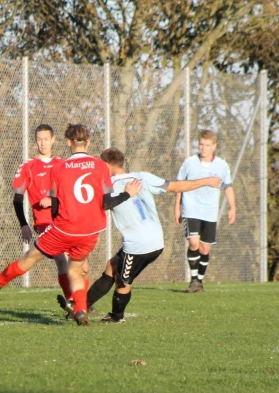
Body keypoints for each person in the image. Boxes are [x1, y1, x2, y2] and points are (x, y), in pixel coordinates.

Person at [0, 124, 140, 326]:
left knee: (31, 257)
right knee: (76, 269)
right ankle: (81, 309)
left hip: (64, 228)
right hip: (91, 231)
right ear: (89, 142)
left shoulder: (59, 167)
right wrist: (127, 193)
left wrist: (57, 224)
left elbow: (56, 204)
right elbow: (106, 203)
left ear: (66, 142)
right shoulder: (101, 166)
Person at [86, 148, 222, 322]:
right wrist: (207, 181)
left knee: (123, 280)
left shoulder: (108, 184)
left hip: (138, 245)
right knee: (112, 265)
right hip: (157, 241)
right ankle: (83, 305)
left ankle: (116, 316)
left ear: (105, 165)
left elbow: (96, 204)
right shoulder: (142, 177)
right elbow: (176, 186)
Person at [11, 124, 73, 300]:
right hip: (44, 223)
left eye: (46, 139)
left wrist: (53, 200)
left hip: (66, 221)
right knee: (62, 259)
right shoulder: (27, 166)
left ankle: (80, 301)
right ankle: (74, 302)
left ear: (53, 140)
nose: (43, 143)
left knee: (79, 265)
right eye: (39, 139)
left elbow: (70, 195)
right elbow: (17, 198)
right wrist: (24, 224)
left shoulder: (63, 165)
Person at [174, 130, 235, 293]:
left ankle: (199, 281)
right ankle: (194, 279)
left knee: (205, 249)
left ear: (214, 146)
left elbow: (227, 187)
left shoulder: (221, 165)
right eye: (201, 144)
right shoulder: (189, 162)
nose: (203, 148)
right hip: (191, 210)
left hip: (209, 212)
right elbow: (179, 185)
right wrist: (177, 208)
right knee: (193, 243)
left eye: (207, 145)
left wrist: (232, 207)